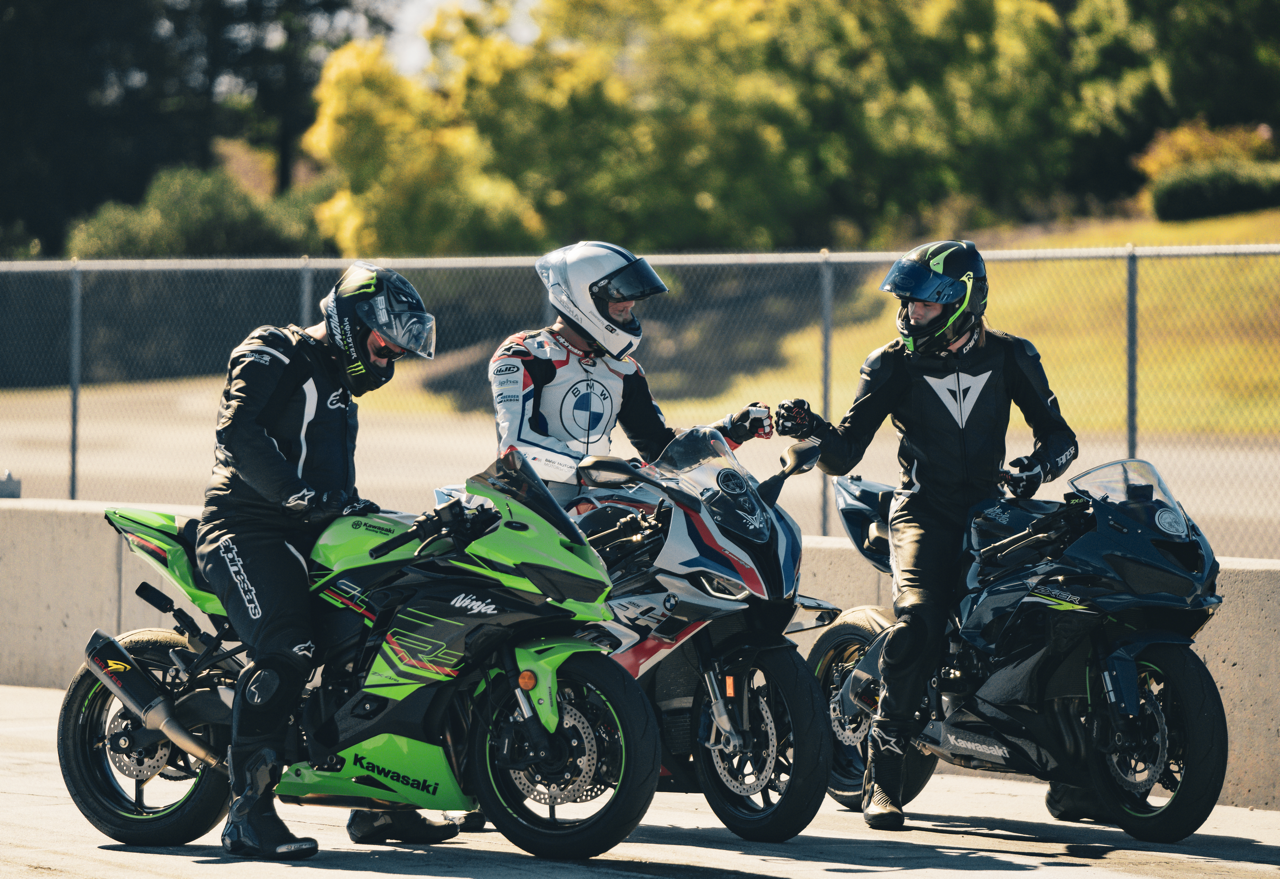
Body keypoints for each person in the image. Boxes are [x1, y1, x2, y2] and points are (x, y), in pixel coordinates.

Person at [774, 240, 1078, 831]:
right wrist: (813, 427)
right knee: (917, 623)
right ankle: (883, 779)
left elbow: (1060, 438)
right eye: (906, 302)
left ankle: (1080, 779)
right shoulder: (892, 364)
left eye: (922, 304)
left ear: (962, 302)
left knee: (1047, 618)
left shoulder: (1013, 356)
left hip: (992, 514)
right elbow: (843, 452)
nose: (909, 312)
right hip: (922, 513)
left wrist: (1037, 470)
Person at [195, 261, 451, 859]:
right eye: (384, 341)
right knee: (292, 648)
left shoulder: (340, 387)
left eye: (396, 350)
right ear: (350, 318)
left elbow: (332, 481)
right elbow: (237, 434)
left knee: (377, 635)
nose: (389, 356)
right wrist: (293, 494)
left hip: (313, 530)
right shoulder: (273, 350)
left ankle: (378, 801)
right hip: (245, 526)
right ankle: (247, 813)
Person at [489, 240, 773, 503]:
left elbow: (661, 451)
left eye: (629, 310)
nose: (629, 314)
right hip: (525, 511)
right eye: (620, 309)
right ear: (580, 298)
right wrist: (613, 473)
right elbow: (517, 447)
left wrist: (731, 429)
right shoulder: (524, 353)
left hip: (590, 510)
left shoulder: (624, 370)